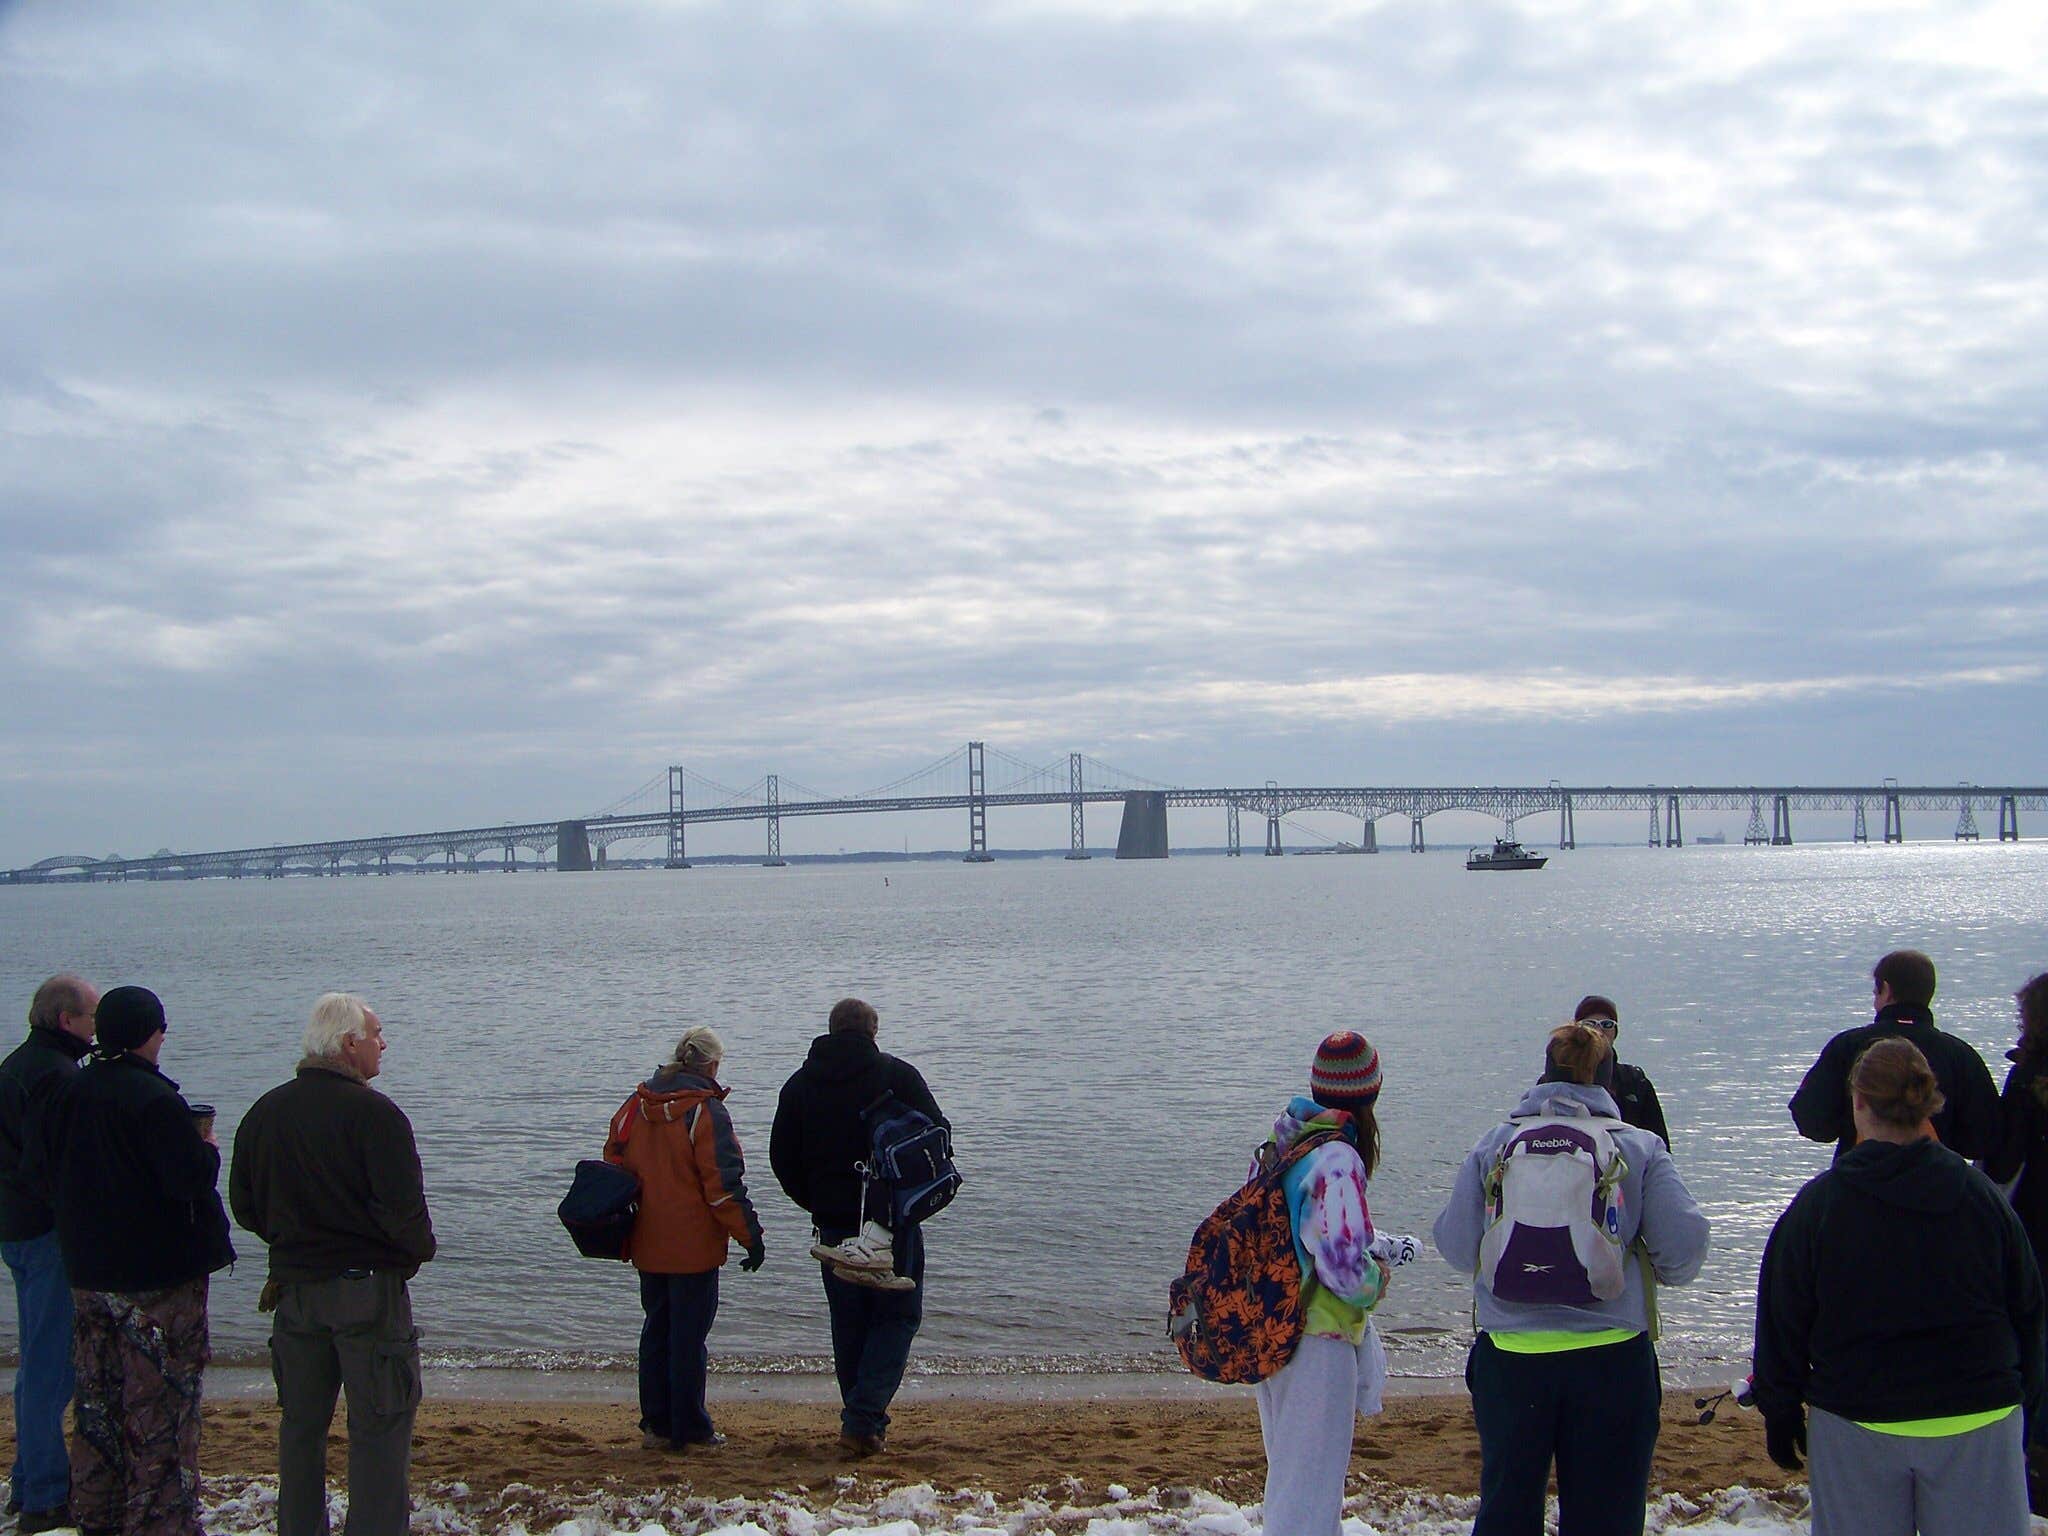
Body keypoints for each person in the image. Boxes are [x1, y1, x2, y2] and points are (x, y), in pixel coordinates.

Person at [1754, 1037, 2043, 1536]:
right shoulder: (1981, 1200)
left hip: (1858, 1414)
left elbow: (1783, 1314)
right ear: (1927, 1102)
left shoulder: (1821, 1205)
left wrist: (1779, 1408)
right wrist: (2032, 1406)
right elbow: (2029, 1308)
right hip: (1978, 1413)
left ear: (1859, 1102)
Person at [1433, 1022, 1709, 1536]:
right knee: (1606, 1517)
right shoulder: (1640, 1147)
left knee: (1506, 1510)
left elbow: (1454, 1245)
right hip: (1612, 1359)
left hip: (1511, 1359)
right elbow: (1686, 1250)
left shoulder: (1496, 1143)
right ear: (1607, 1081)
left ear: (1544, 1073)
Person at [228, 994, 436, 1536]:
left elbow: (245, 1206)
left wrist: (295, 1240)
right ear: (350, 1044)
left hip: (295, 1291)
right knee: (380, 1427)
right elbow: (407, 1217)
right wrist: (409, 1256)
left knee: (301, 1426)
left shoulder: (265, 1111)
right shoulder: (376, 1114)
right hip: (364, 1289)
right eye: (377, 1033)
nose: (383, 1043)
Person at [42, 986, 233, 1536]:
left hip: (89, 1272)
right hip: (155, 1282)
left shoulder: (69, 1090)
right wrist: (208, 1149)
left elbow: (40, 1170)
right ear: (152, 1033)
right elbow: (187, 1180)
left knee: (98, 1405)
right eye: (162, 1029)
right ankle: (159, 1523)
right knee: (162, 1411)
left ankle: (96, 1514)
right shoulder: (153, 1100)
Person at [1254, 1031, 1421, 1536]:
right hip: (1318, 1340)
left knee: (1289, 1481)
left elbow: (1296, 1235)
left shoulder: (1283, 1143)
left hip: (1274, 1329)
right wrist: (1377, 1281)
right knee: (1309, 1496)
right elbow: (1343, 1266)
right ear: (1371, 1095)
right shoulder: (1338, 1159)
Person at [769, 997, 947, 1458]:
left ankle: (862, 1421)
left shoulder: (799, 1085)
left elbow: (781, 1159)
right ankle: (863, 1419)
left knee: (848, 1323)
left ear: (831, 1030)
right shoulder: (896, 1075)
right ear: (873, 1031)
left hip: (831, 1224)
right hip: (893, 1222)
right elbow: (938, 1139)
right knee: (898, 1316)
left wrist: (818, 1202)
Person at [603, 1025, 765, 1453]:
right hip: (694, 1246)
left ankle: (656, 1424)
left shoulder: (637, 1104)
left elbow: (613, 1157)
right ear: (711, 1065)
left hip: (647, 1238)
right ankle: (690, 1429)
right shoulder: (704, 1111)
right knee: (688, 1339)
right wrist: (750, 1237)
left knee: (657, 1330)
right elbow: (723, 1187)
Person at [0, 975, 99, 1533]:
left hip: (18, 1227)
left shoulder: (20, 1066)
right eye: (91, 1017)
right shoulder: (54, 1077)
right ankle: (42, 1493)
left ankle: (28, 1478)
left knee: (39, 1354)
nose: (96, 1027)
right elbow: (55, 1163)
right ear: (67, 1021)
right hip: (44, 1232)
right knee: (49, 1366)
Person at [1790, 949, 2001, 1161]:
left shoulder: (1847, 1047)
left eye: (1876, 992)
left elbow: (1812, 1121)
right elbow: (1984, 1138)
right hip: (1938, 1185)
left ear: (1887, 991)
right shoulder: (1960, 1055)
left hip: (1860, 1182)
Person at [1572, 995, 1670, 1149]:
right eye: (1589, 1024)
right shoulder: (1554, 1081)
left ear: (1615, 1032)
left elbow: (1661, 1146)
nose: (1599, 1031)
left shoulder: (1636, 1082)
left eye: (1607, 1024)